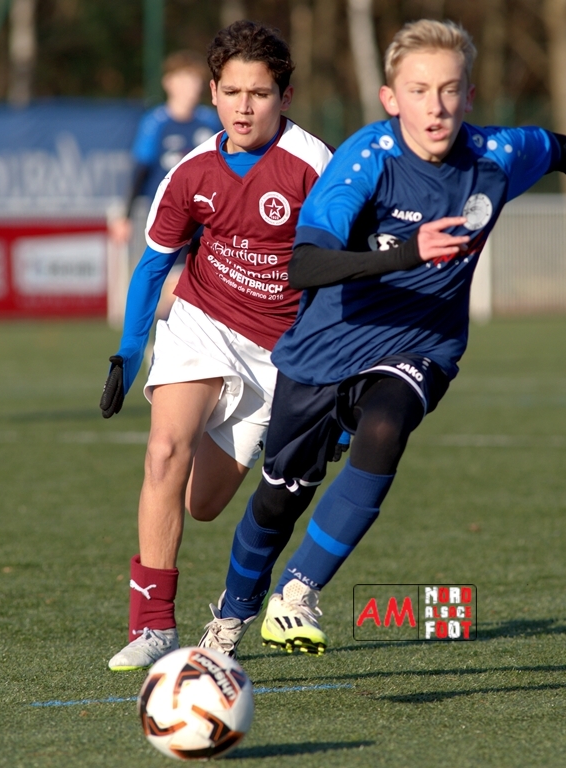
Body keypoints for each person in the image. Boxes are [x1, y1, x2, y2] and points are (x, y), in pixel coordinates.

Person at [198, 19, 566, 657]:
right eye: (419, 91)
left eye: (449, 90)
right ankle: (230, 619)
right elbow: (304, 265)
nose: (436, 106)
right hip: (327, 345)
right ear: (391, 98)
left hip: (421, 344)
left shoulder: (496, 154)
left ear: (469, 95)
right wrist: (405, 253)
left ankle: (298, 592)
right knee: (280, 499)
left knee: (386, 426)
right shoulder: (366, 159)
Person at [99, 20, 334, 671]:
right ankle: (152, 625)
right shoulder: (190, 172)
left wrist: (337, 376)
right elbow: (153, 265)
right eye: (231, 92)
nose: (243, 107)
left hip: (278, 354)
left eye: (258, 93)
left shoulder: (316, 167)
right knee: (163, 452)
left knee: (202, 505)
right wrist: (127, 353)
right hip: (201, 321)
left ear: (285, 96)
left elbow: (345, 276)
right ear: (212, 92)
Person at [108, 51, 223, 321]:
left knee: (207, 285)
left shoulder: (210, 122)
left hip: (208, 218)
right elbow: (141, 169)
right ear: (168, 83)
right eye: (182, 80)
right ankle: (159, 333)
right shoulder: (156, 123)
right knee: (174, 284)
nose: (189, 87)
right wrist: (125, 216)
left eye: (193, 80)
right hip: (171, 217)